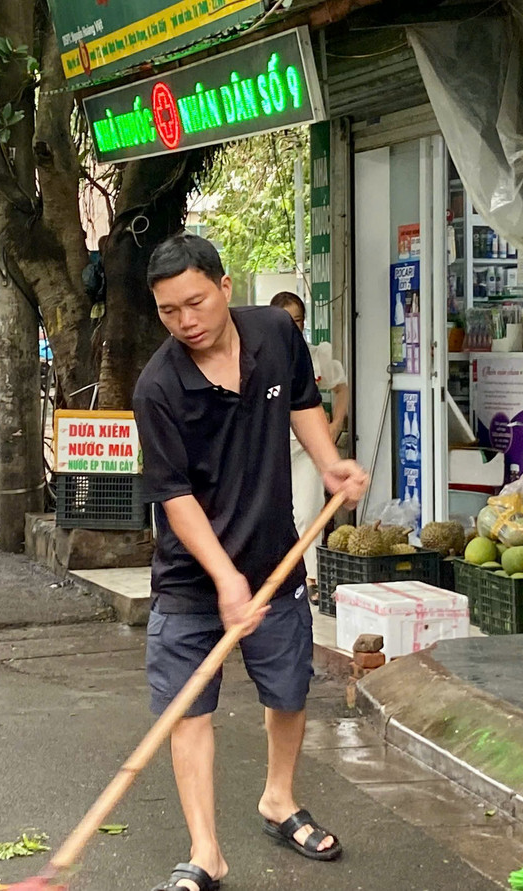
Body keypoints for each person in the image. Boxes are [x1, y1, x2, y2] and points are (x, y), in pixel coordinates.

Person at [133, 234, 368, 891]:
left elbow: (302, 404)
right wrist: (225, 579)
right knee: (189, 708)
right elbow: (174, 498)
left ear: (225, 286)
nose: (186, 320)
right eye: (168, 310)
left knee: (288, 690)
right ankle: (205, 850)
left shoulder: (273, 333)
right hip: (191, 576)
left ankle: (278, 798)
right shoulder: (158, 387)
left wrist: (330, 464)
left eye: (195, 301)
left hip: (274, 556)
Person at [268, 292, 350, 595]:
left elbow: (341, 388)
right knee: (275, 513)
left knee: (307, 511)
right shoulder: (259, 356)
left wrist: (335, 424)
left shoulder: (316, 356)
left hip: (306, 449)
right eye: (286, 322)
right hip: (272, 449)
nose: (293, 328)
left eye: (298, 322)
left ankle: (308, 578)